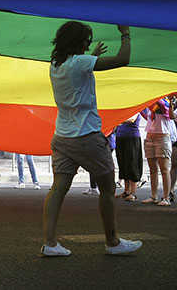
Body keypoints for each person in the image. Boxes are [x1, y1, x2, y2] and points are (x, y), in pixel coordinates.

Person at [41, 21, 141, 257]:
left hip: (62, 136)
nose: (88, 43)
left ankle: (50, 243)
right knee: (107, 188)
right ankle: (112, 242)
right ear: (78, 42)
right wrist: (125, 34)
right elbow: (122, 60)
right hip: (87, 136)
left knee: (58, 189)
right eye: (86, 39)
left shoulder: (56, 65)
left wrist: (91, 57)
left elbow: (79, 70)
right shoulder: (80, 63)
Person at [112, 114, 143, 202]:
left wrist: (117, 119)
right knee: (122, 163)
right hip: (120, 136)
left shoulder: (135, 109)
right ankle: (126, 191)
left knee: (132, 163)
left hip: (132, 137)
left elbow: (131, 119)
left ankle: (133, 193)